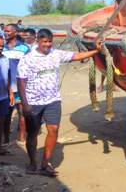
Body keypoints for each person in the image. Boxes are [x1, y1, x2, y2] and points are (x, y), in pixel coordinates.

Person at [17, 28, 103, 176]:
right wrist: (24, 103)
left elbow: (76, 56)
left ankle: (45, 163)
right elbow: (21, 81)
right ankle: (32, 162)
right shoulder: (28, 58)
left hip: (53, 100)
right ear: (37, 41)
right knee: (33, 133)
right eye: (44, 41)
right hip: (33, 102)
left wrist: (95, 51)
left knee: (54, 129)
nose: (48, 44)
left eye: (50, 41)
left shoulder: (56, 54)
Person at [3, 24, 31, 145]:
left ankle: (22, 138)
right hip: (4, 87)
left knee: (21, 113)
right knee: (5, 114)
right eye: (4, 31)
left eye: (8, 31)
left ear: (15, 32)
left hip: (19, 86)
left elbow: (31, 66)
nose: (5, 33)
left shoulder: (25, 48)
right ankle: (6, 139)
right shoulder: (1, 48)